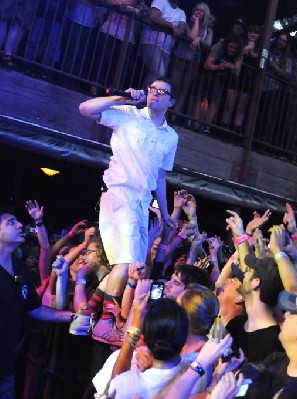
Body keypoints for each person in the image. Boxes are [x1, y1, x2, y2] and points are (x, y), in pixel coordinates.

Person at [72, 77, 179, 345]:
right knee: (127, 261)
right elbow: (85, 109)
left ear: (171, 102)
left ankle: (86, 315)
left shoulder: (171, 136)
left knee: (135, 265)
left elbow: (161, 177)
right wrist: (122, 98)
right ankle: (105, 323)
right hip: (119, 194)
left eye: (162, 92)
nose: (155, 94)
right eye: (152, 89)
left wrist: (165, 213)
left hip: (142, 202)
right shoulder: (128, 114)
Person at [0, 210, 74, 398]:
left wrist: (71, 316)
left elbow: (35, 309)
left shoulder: (19, 269)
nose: (19, 225)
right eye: (10, 223)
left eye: (18, 222)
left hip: (5, 372)